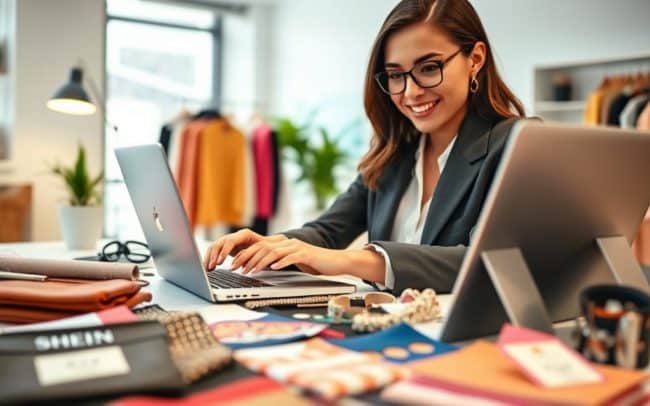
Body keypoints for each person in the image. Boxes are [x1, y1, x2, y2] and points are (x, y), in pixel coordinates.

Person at [203, 0, 525, 294]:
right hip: (385, 332)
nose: (410, 92)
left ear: (475, 60)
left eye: (429, 68)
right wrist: (270, 245)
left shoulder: (515, 144)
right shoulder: (393, 154)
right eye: (396, 75)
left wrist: (352, 261)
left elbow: (489, 263)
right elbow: (327, 233)